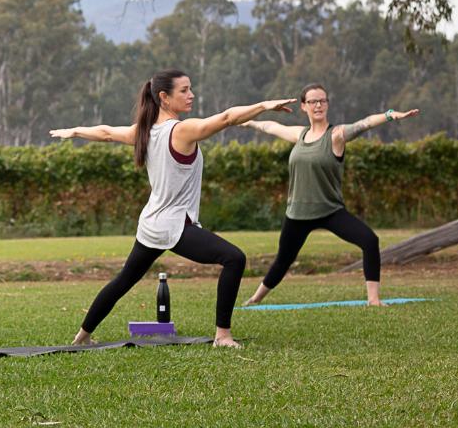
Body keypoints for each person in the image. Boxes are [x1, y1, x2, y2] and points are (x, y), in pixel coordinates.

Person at [50, 70, 294, 348]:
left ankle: (82, 337)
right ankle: (222, 336)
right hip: (174, 225)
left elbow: (106, 132)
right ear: (164, 98)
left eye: (191, 89)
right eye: (184, 91)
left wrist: (75, 131)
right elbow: (227, 118)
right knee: (234, 258)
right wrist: (263, 106)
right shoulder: (181, 130)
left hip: (152, 223)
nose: (191, 95)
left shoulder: (144, 131)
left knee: (124, 280)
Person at [241, 84, 418, 307]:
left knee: (370, 241)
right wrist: (248, 121)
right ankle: (255, 299)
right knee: (283, 260)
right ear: (304, 106)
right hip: (298, 212)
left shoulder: (336, 135)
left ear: (327, 104)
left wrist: (390, 115)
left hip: (329, 210)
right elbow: (270, 126)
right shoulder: (300, 134)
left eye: (322, 101)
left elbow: (365, 123)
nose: (318, 105)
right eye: (313, 101)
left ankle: (373, 300)